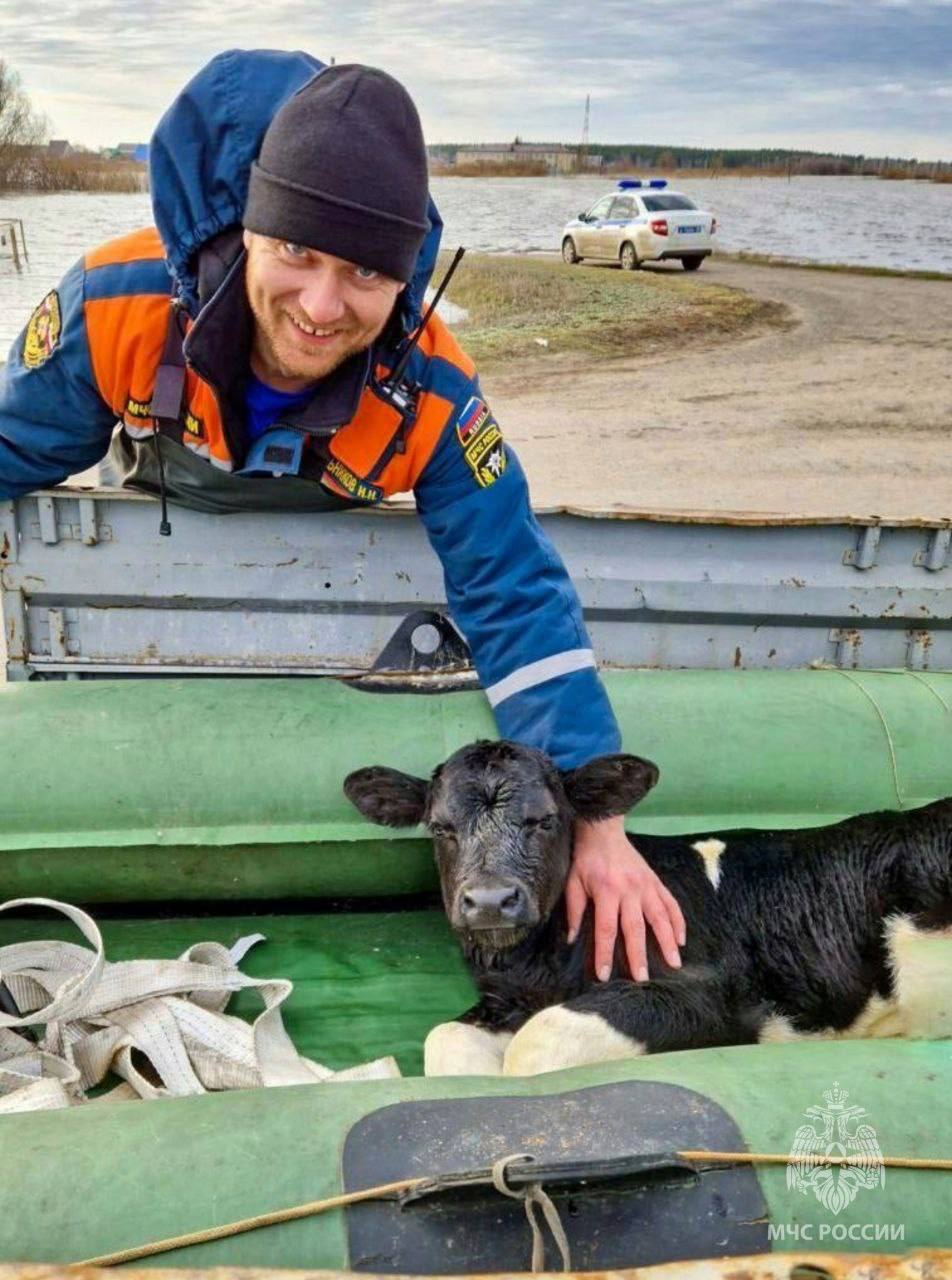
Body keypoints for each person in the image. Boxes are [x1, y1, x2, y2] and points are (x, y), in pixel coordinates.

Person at [0, 50, 684, 982]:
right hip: (167, 496)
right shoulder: (115, 307)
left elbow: (511, 588)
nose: (323, 307)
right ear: (249, 228)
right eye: (295, 253)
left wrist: (596, 820)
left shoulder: (436, 390)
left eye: (366, 271)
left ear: (406, 275)